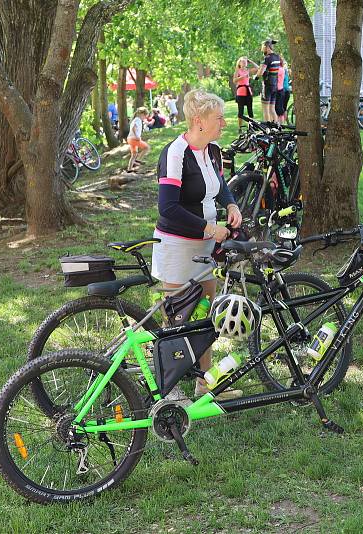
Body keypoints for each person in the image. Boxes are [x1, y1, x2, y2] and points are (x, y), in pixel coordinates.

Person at [152, 89, 243, 400]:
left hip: (205, 247)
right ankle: (170, 390)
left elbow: (220, 187)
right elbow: (168, 208)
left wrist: (231, 205)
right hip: (178, 248)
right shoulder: (175, 154)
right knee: (176, 319)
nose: (224, 122)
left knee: (206, 318)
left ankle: (206, 386)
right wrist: (208, 227)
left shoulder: (213, 150)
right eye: (218, 118)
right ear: (198, 121)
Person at [255, 39, 281, 123]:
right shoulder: (277, 57)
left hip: (267, 86)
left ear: (266, 47)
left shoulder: (267, 58)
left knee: (265, 110)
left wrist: (256, 77)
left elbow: (261, 71)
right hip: (275, 86)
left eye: (262, 47)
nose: (261, 49)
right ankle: (276, 129)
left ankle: (268, 131)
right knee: (272, 109)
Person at [233, 57, 257, 129]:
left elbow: (258, 68)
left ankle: (251, 126)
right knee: (241, 111)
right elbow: (234, 80)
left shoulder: (248, 70)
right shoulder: (237, 71)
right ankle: (240, 128)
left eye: (245, 62)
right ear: (239, 63)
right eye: (242, 62)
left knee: (250, 110)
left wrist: (251, 61)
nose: (244, 63)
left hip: (248, 92)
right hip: (240, 92)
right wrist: (242, 77)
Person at [126, 107, 150, 172]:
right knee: (147, 147)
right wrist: (137, 136)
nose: (145, 118)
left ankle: (129, 169)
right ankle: (138, 159)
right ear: (141, 114)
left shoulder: (136, 119)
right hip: (134, 139)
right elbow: (133, 128)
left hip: (130, 139)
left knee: (134, 154)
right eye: (145, 116)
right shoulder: (137, 120)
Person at [275, 56, 291, 124]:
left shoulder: (281, 70)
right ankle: (284, 122)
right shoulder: (286, 71)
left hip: (283, 90)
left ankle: (281, 123)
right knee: (284, 108)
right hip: (286, 91)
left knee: (280, 108)